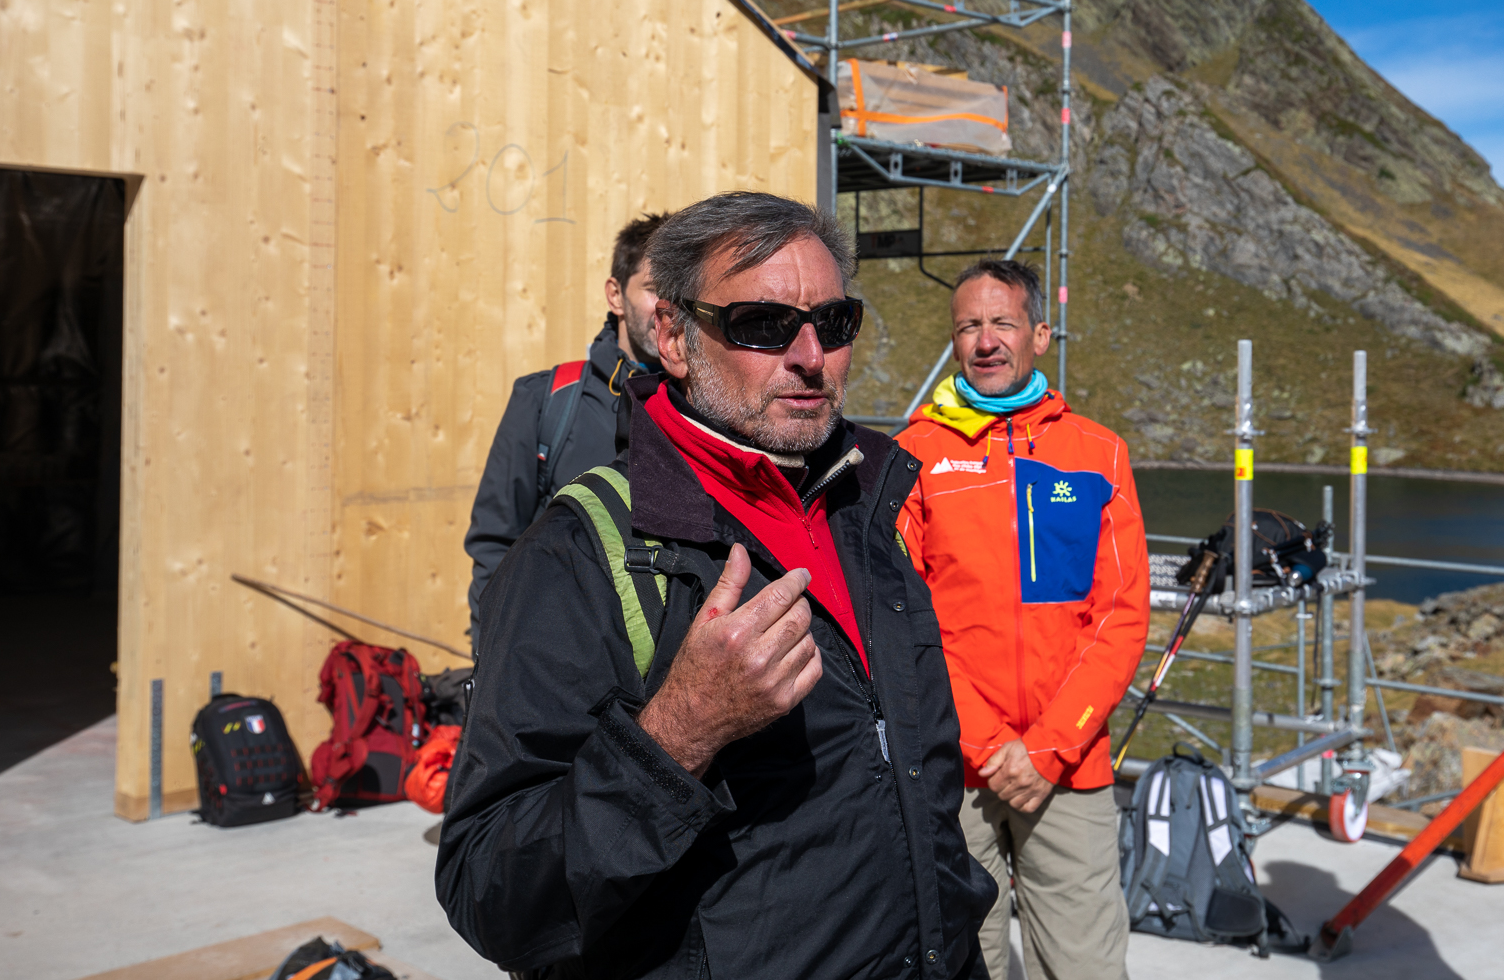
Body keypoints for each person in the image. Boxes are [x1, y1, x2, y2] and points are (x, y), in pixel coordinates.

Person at [435, 192, 996, 980]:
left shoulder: (872, 505)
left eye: (834, 323)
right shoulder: (582, 550)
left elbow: (921, 790)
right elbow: (488, 888)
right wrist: (675, 735)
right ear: (671, 334)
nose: (810, 355)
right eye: (763, 324)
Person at [895, 258, 1150, 980]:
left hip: (1069, 765)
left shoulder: (1098, 453)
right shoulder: (913, 455)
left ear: (1039, 333)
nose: (985, 340)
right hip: (953, 763)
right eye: (968, 326)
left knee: (1086, 964)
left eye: (1001, 321)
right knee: (962, 960)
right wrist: (984, 740)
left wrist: (1046, 749)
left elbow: (1122, 616)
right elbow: (907, 617)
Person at [462, 213, 668, 650]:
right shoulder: (546, 400)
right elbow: (494, 546)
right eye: (654, 289)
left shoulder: (706, 408)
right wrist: (491, 664)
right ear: (616, 295)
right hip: (557, 669)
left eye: (681, 292)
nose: (669, 308)